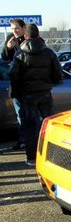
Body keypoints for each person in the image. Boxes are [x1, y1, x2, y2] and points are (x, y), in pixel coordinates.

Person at [9, 24, 63, 166]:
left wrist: (15, 92)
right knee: (48, 124)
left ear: (25, 36)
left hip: (27, 95)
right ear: (38, 35)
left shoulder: (19, 54)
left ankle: (31, 158)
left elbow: (13, 75)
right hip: (45, 93)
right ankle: (49, 155)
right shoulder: (49, 53)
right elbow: (58, 74)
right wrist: (50, 82)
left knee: (30, 126)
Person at [1, 18, 26, 150]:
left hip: (29, 83)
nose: (14, 31)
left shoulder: (30, 39)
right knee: (20, 113)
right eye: (12, 29)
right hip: (16, 83)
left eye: (16, 28)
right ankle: (23, 141)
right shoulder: (11, 38)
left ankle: (32, 140)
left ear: (23, 28)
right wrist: (7, 47)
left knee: (32, 114)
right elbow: (4, 57)